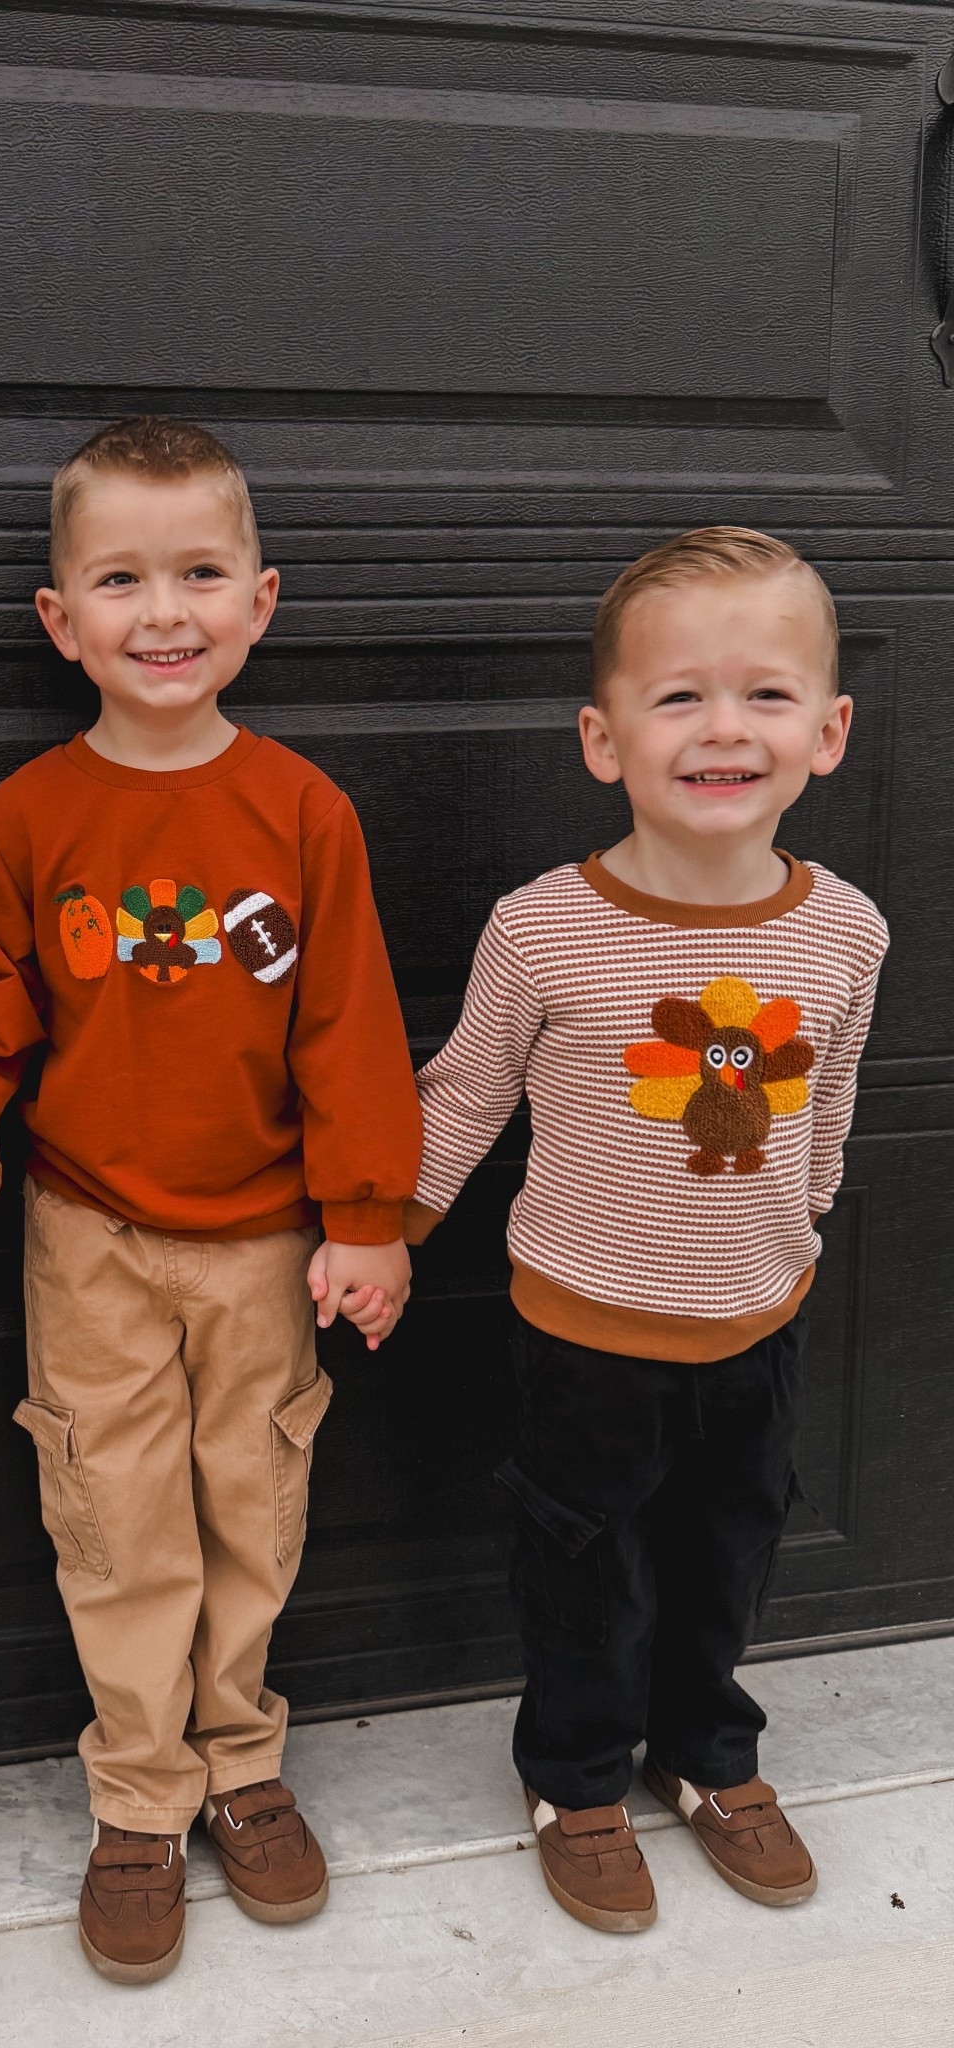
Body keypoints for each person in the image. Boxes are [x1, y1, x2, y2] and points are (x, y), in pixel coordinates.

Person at [0, 417, 421, 1981]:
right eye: (121, 577)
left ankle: (243, 1765)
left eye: (200, 573)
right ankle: (138, 1793)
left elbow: (353, 1029)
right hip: (87, 1235)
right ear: (61, 621)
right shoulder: (21, 826)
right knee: (116, 1521)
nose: (164, 611)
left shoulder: (305, 811)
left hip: (264, 1237)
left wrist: (368, 1214)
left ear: (263, 601)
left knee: (251, 1500)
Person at [407, 527, 887, 1933]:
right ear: (602, 739)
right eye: (678, 697)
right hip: (585, 1331)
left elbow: (833, 1096)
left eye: (765, 694)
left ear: (831, 731)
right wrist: (386, 1232)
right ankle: (575, 1776)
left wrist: (803, 1218)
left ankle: (706, 1750)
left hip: (758, 1315)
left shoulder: (844, 928)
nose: (724, 728)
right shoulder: (544, 929)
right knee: (587, 1563)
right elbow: (463, 1100)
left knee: (730, 1546)